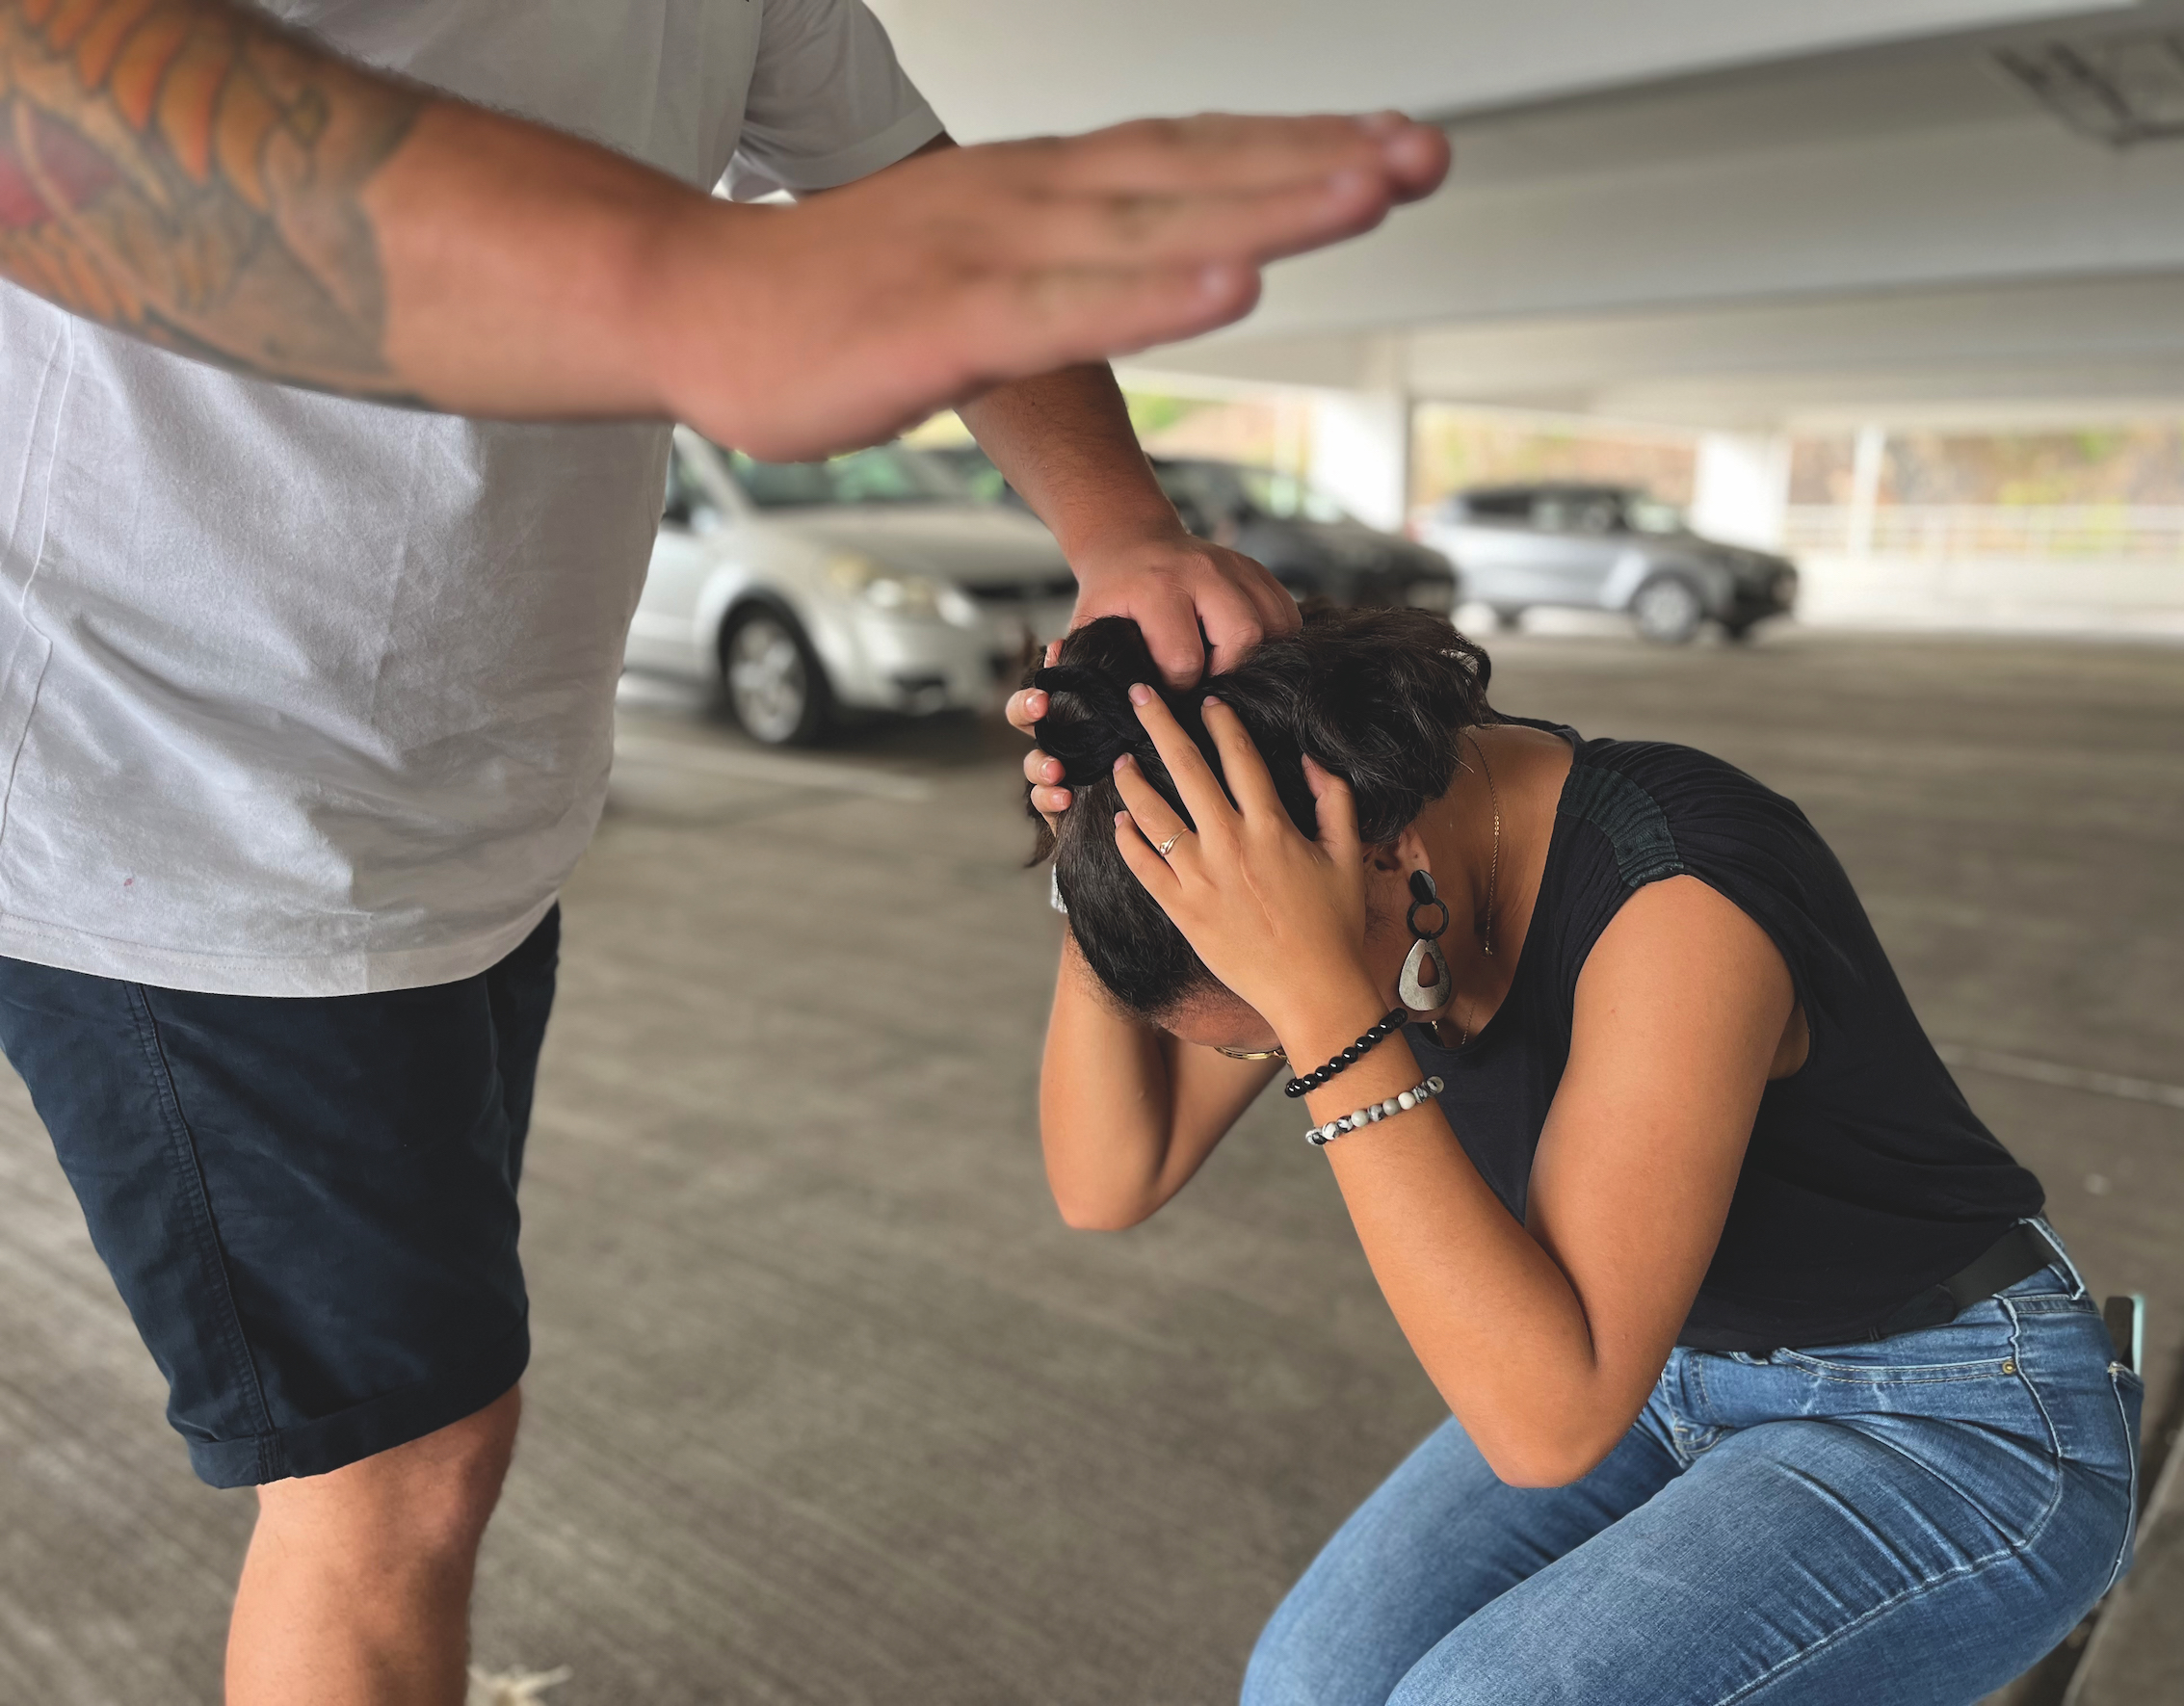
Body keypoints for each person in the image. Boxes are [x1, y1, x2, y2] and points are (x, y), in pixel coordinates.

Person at [0, 1, 1448, 1699]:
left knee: (429, 1424)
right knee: (391, 1475)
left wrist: (1121, 526)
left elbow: (916, 206)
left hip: (466, 825)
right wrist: (664, 283)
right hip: (181, 799)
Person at [1012, 609, 2142, 1706]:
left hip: (1947, 1415)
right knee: (1306, 1687)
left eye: (1274, 1020)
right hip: (1665, 1374)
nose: (1276, 1049)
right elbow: (1112, 1177)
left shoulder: (1678, 890)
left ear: (1387, 850)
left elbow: (1548, 1426)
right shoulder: (1371, 875)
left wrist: (1327, 1020)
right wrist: (1099, 845)